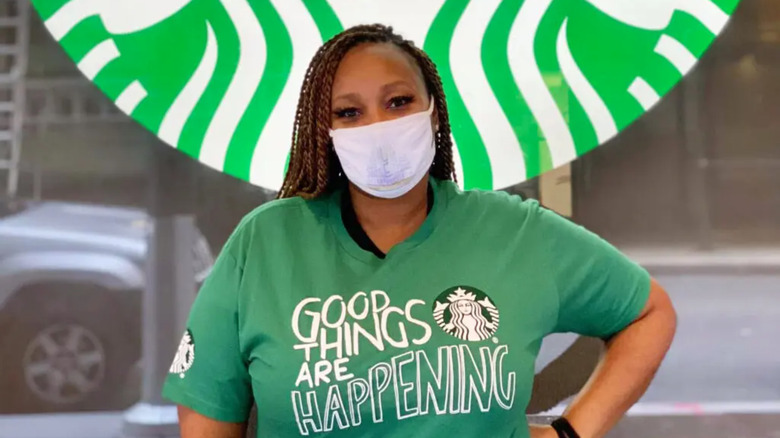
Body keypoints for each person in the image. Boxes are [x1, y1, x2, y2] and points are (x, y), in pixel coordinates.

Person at [162, 24, 677, 438]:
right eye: (349, 112)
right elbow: (208, 412)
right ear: (327, 132)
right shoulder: (266, 242)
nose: (378, 127)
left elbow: (649, 312)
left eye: (398, 102)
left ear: (434, 112)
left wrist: (569, 432)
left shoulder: (515, 231)